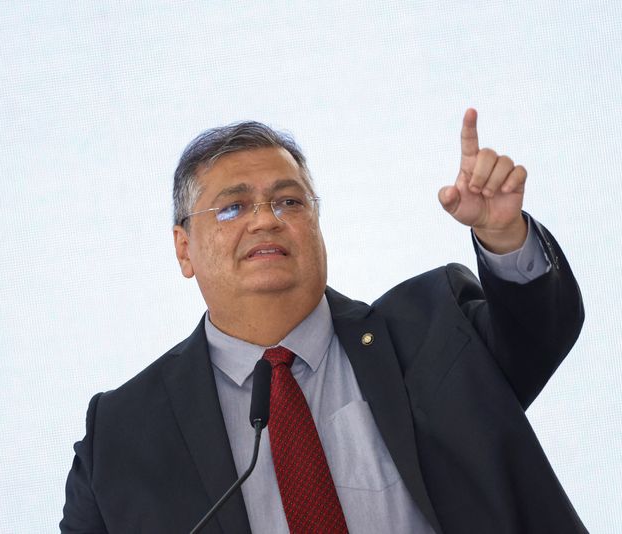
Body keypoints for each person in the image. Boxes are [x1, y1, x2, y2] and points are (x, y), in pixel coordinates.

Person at [61, 109, 587, 533]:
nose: (266, 218)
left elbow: (536, 336)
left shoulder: (431, 331)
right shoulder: (121, 436)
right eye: (233, 207)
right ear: (184, 248)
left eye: (289, 200)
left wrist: (503, 237)